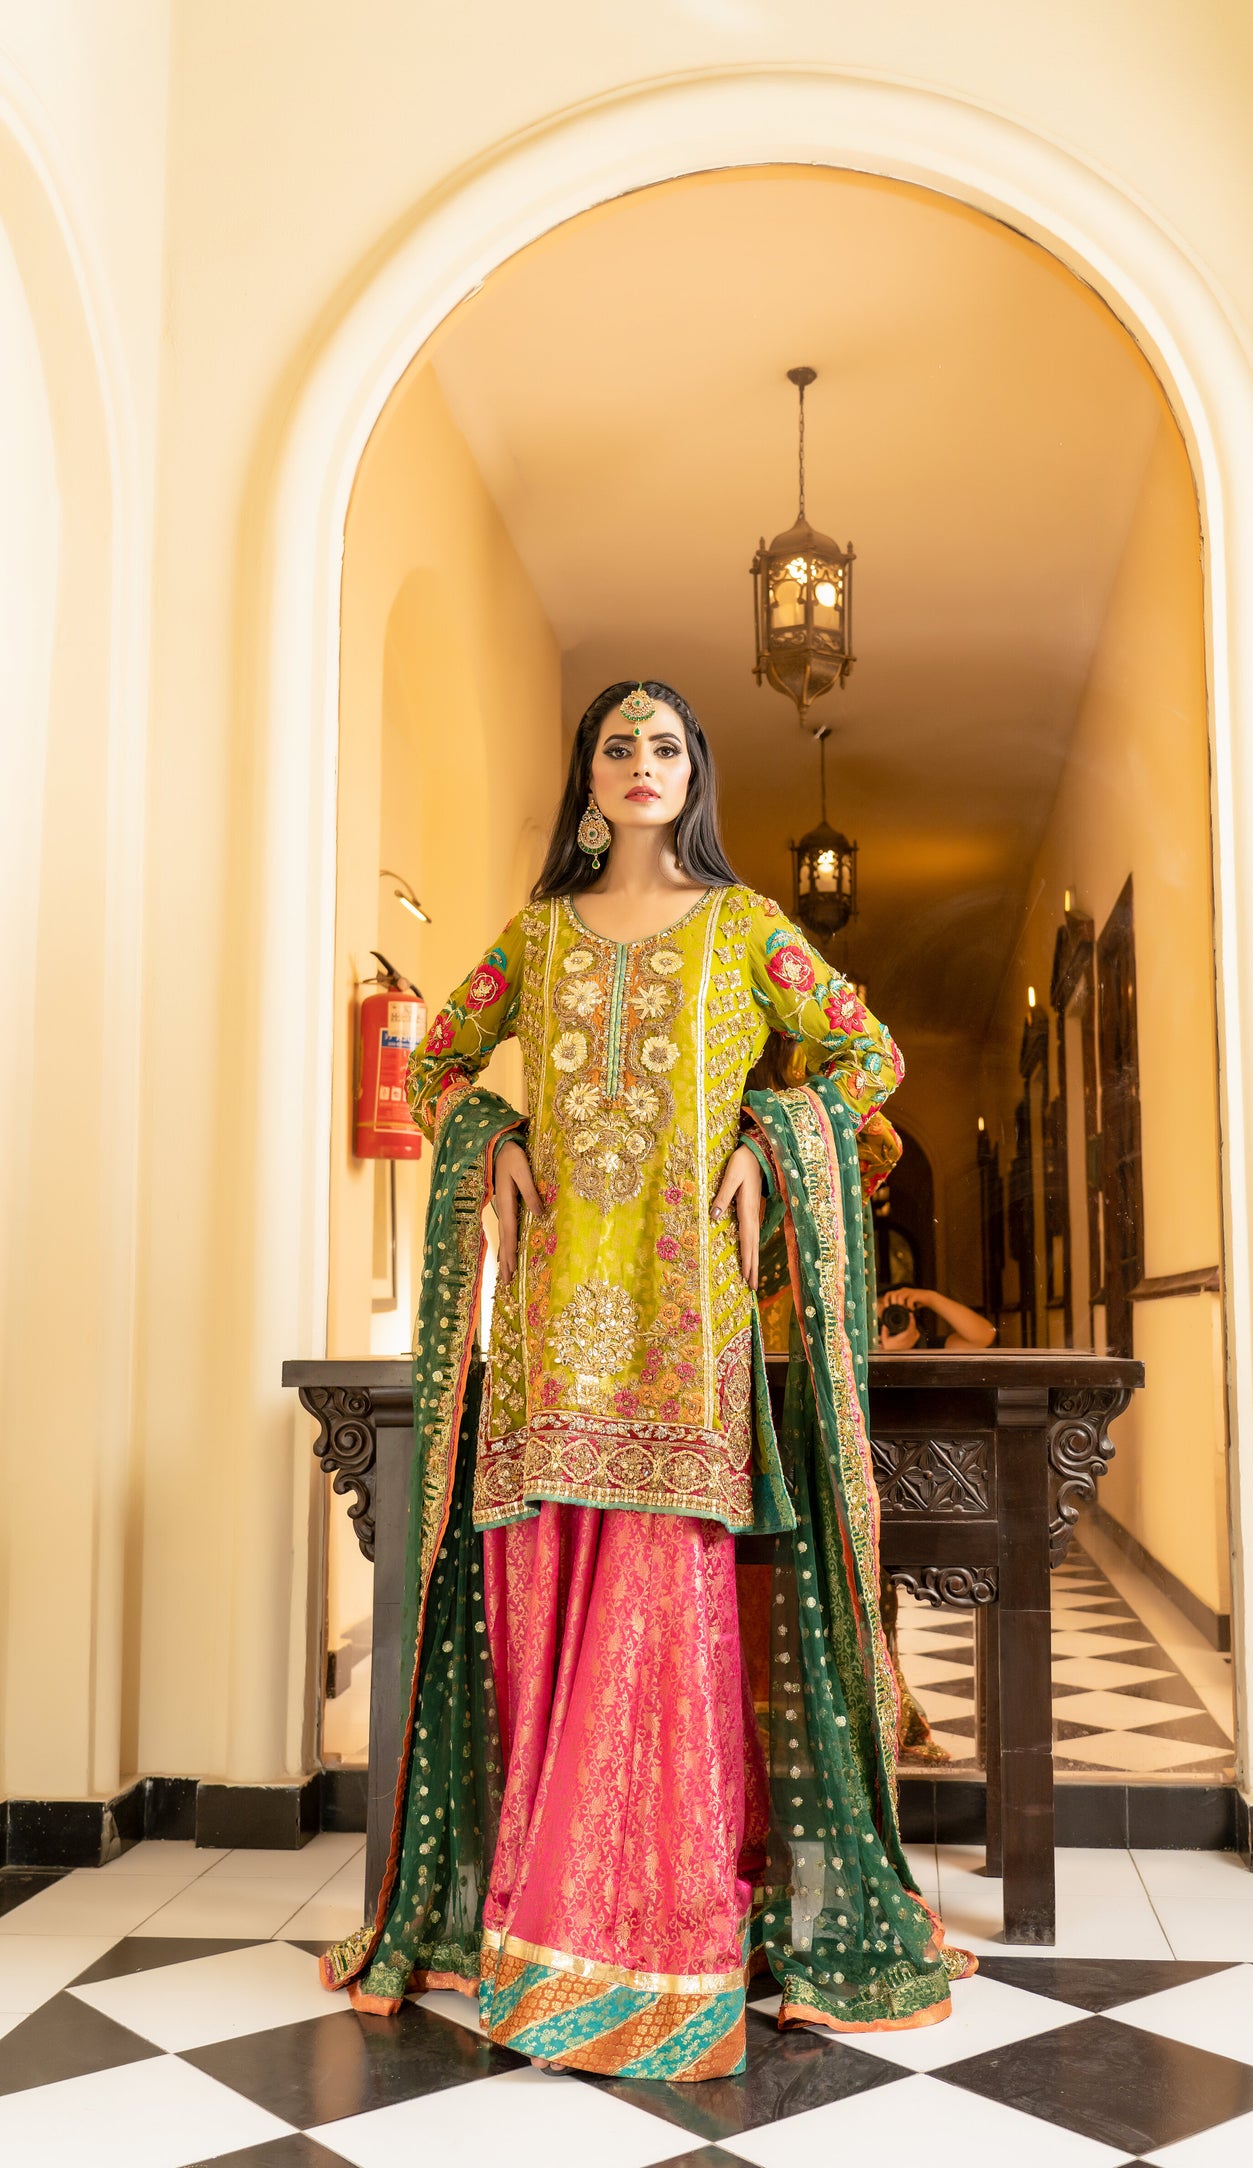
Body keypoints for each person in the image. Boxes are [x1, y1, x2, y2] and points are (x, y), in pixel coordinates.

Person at [320, 680, 974, 2077]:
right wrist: (491, 1128)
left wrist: (769, 1138)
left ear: (697, 774)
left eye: (663, 745)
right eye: (616, 745)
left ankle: (659, 1937)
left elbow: (867, 1056)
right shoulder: (539, 938)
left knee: (665, 1624)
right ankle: (536, 1921)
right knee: (547, 1614)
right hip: (555, 1335)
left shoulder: (745, 929)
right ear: (587, 775)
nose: (638, 765)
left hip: (688, 1336)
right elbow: (440, 1060)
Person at [877, 1285, 998, 1351]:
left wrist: (930, 1298)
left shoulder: (922, 1349)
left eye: (895, 1315)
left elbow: (983, 1336)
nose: (888, 1320)